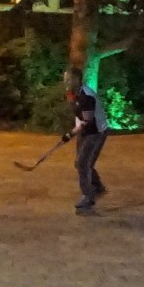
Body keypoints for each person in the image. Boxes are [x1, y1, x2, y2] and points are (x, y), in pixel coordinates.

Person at [62, 67, 109, 215]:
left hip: (96, 131)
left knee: (83, 163)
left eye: (68, 79)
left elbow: (87, 122)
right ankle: (97, 187)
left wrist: (70, 133)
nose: (66, 82)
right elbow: (78, 114)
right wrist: (74, 131)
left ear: (77, 80)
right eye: (65, 79)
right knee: (82, 163)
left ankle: (88, 197)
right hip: (85, 131)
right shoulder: (72, 93)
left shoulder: (87, 96)